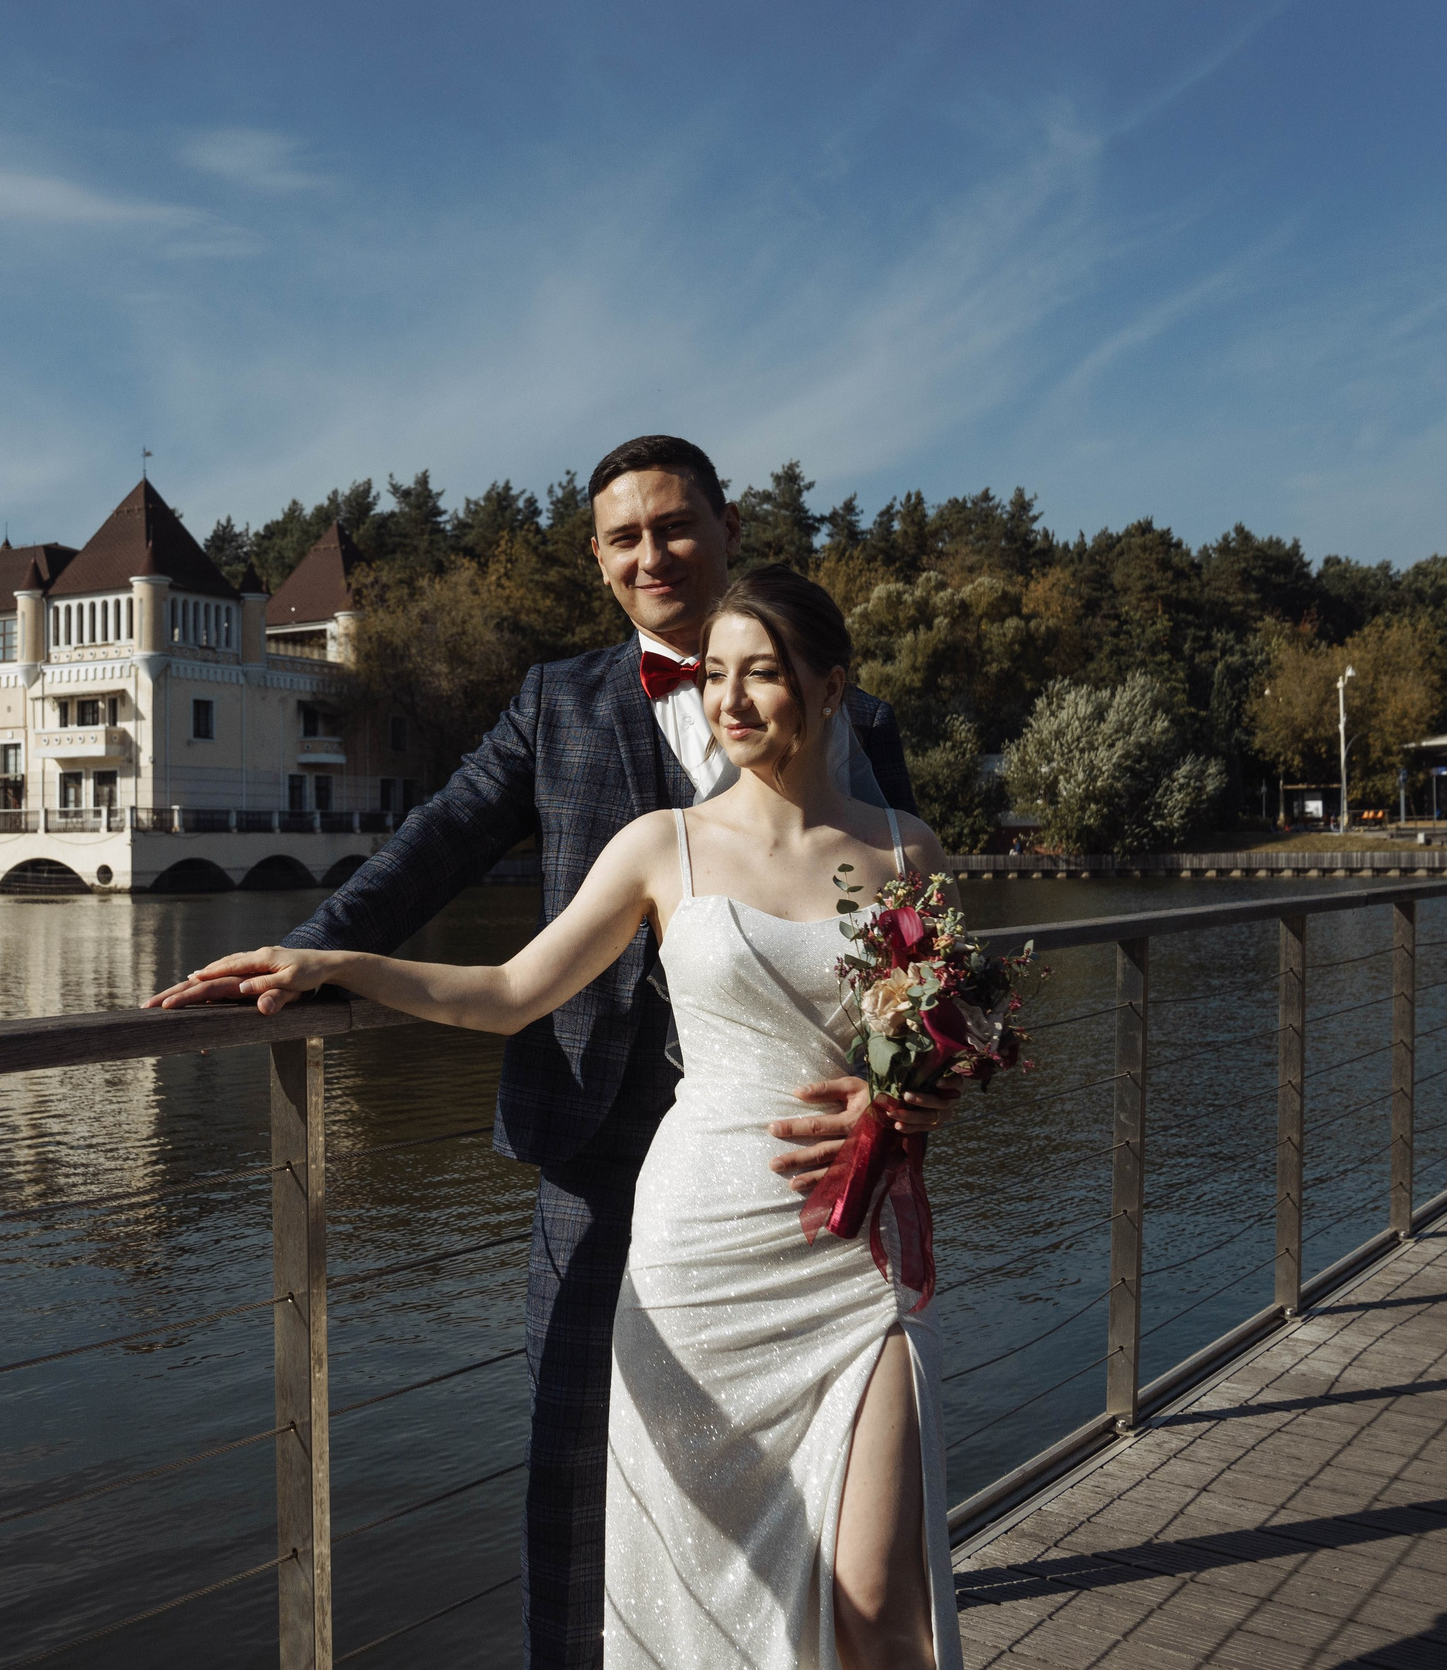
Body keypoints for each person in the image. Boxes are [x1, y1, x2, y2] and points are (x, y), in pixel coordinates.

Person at [147, 435, 944, 1667]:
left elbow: (913, 970)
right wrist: (310, 954)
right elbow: (438, 844)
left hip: (813, 1193)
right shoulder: (554, 703)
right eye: (623, 538)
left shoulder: (858, 722)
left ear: (728, 531)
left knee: (846, 1530)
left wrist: (903, 1103)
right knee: (583, 1495)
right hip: (597, 1154)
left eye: (674, 527)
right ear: (596, 561)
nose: (650, 555)